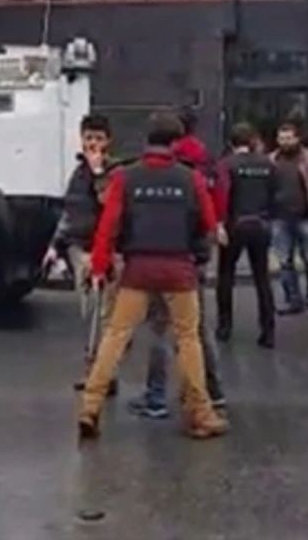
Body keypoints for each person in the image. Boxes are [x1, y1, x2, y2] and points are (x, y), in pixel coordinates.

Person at [77, 111, 229, 440]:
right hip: (179, 269)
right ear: (176, 143)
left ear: (147, 139)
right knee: (188, 340)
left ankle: (90, 406)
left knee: (115, 336)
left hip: (137, 269)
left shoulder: (125, 177)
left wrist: (100, 266)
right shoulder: (190, 178)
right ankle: (200, 412)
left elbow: (108, 226)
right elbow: (208, 220)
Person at [127, 108, 226, 420]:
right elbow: (208, 211)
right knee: (194, 331)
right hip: (191, 258)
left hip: (157, 257)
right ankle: (212, 391)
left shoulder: (142, 173)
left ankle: (156, 397)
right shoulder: (199, 167)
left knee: (159, 328)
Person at [42, 113, 120, 395]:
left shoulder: (111, 171)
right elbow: (70, 212)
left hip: (101, 251)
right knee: (89, 312)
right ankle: (98, 370)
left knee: (103, 314)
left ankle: (100, 375)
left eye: (98, 139)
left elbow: (109, 203)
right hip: (78, 249)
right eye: (88, 138)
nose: (92, 144)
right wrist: (55, 246)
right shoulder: (78, 172)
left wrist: (99, 172)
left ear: (108, 141)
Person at [212, 122, 276, 347]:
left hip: (235, 224)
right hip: (261, 223)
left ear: (231, 142)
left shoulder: (226, 165)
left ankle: (224, 326)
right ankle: (268, 330)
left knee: (226, 275)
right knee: (262, 278)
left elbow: (222, 194)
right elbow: (275, 192)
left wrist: (218, 224)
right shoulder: (267, 163)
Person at [269, 121, 308, 313]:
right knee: (285, 262)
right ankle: (293, 300)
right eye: (281, 138)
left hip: (306, 215)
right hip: (279, 217)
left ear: (297, 138)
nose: (285, 142)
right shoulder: (272, 160)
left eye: (289, 138)